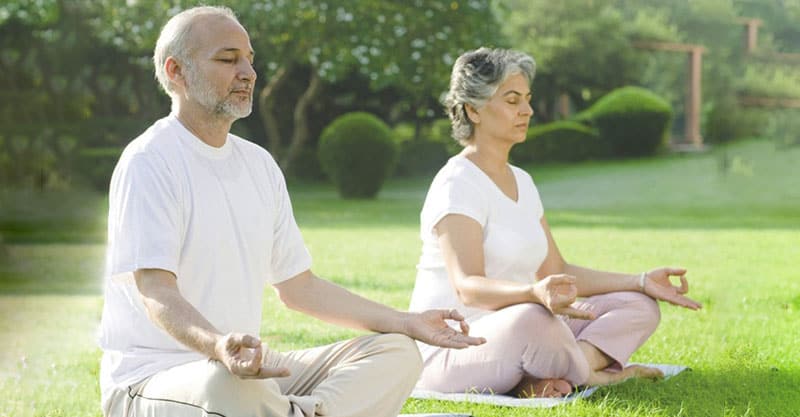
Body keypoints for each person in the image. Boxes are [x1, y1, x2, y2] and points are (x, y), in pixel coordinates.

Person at [97, 6, 484, 417]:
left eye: (250, 60)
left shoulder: (259, 164)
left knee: (397, 352)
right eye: (228, 59)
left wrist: (406, 321)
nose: (248, 73)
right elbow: (156, 292)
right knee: (227, 387)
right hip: (155, 378)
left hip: (245, 370)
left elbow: (300, 288)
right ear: (176, 71)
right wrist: (218, 346)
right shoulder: (150, 160)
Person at [408, 47, 703, 398]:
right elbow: (467, 287)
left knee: (636, 305)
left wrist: (640, 282)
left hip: (525, 328)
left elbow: (556, 270)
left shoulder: (523, 181)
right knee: (534, 318)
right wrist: (532, 294)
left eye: (527, 99)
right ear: (473, 110)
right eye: (513, 100)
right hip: (455, 346)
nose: (527, 110)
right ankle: (596, 376)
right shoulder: (458, 183)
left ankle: (556, 371)